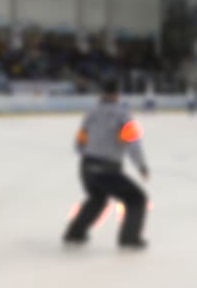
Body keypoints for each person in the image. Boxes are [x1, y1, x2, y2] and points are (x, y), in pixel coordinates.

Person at [63, 79, 150, 249]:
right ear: (117, 94)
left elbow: (80, 139)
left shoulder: (91, 112)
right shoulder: (123, 114)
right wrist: (141, 166)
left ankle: (75, 232)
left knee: (98, 198)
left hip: (87, 167)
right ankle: (129, 238)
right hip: (107, 169)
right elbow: (133, 143)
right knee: (137, 199)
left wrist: (87, 154)